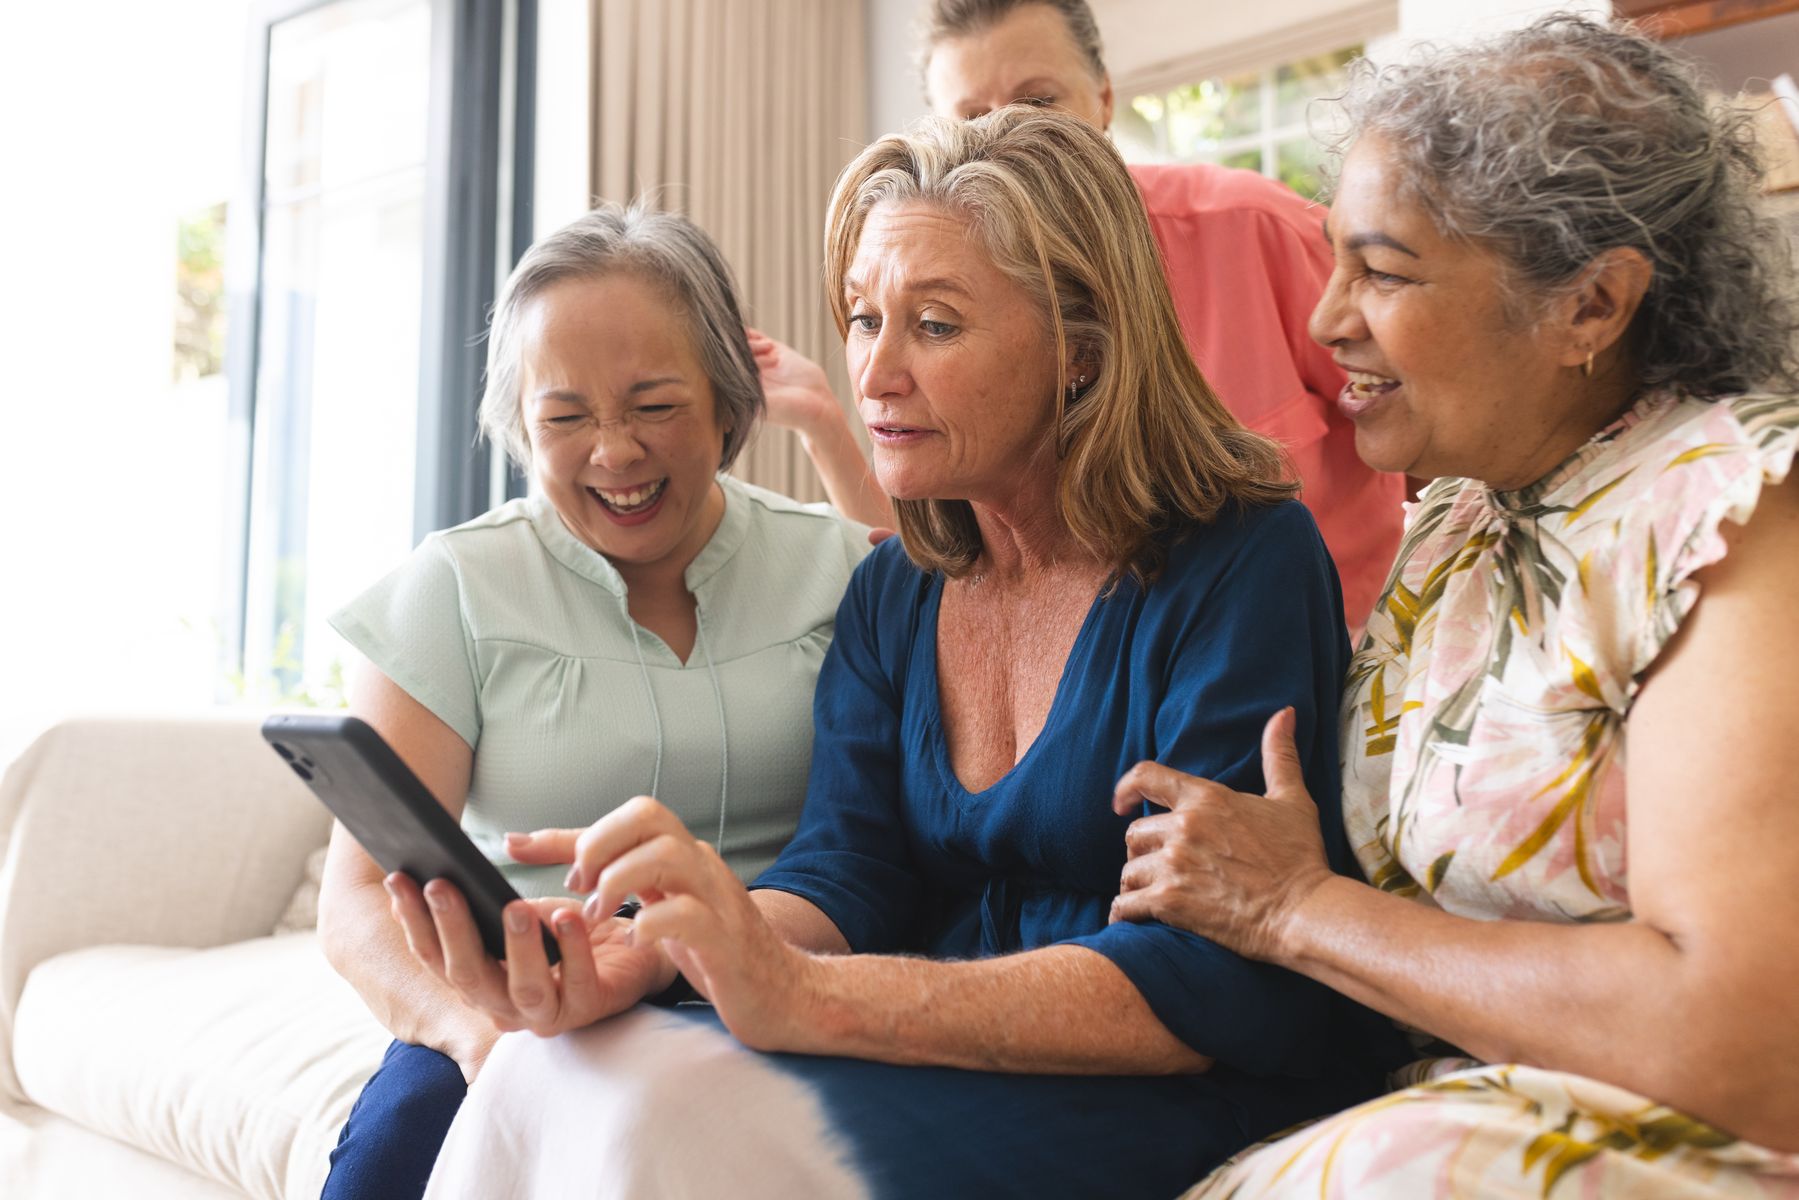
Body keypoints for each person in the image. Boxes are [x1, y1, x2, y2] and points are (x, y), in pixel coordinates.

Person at [397, 107, 1407, 1200]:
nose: (872, 374)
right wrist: (653, 950)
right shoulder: (894, 590)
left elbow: (1210, 974)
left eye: (932, 325)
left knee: (665, 1128)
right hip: (942, 1055)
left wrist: (805, 996)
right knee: (542, 1077)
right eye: (862, 317)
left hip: (1178, 1087)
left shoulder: (1239, 561)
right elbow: (850, 872)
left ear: (1080, 345)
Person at [1102, 17, 1799, 1197]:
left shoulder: (1734, 510)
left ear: (1590, 305)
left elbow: (1740, 1044)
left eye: (1380, 270)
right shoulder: (1457, 519)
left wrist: (1298, 907)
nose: (1326, 320)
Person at [313, 204, 871, 1199]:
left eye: (653, 404)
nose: (612, 453)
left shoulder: (835, 565)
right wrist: (479, 1038)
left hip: (775, 979)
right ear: (521, 425)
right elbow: (355, 899)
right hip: (518, 1002)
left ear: (725, 400)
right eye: (564, 417)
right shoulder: (455, 585)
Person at [755, 0, 1406, 631]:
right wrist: (823, 424)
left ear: (1103, 99)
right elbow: (949, 571)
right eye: (974, 118)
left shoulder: (1256, 231)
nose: (1011, 140)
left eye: (1038, 103)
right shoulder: (951, 345)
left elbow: (1441, 417)